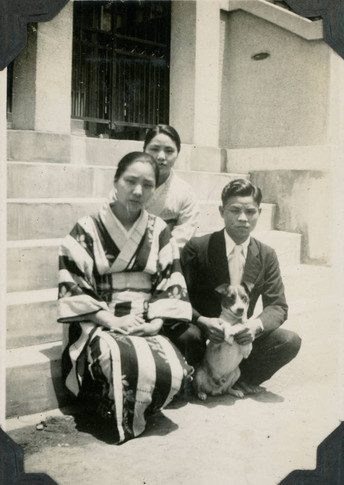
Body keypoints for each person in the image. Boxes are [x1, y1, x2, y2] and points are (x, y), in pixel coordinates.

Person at [58, 152, 193, 444]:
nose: (137, 191)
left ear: (155, 189)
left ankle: (132, 409)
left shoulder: (159, 230)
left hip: (143, 318)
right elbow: (74, 284)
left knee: (176, 369)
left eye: (147, 184)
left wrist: (156, 322)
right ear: (115, 181)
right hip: (98, 319)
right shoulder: (88, 227)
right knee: (119, 357)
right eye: (130, 181)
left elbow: (170, 279)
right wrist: (112, 320)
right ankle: (107, 408)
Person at [178, 178, 301, 394]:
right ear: (221, 211)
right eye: (234, 210)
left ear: (259, 213)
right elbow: (178, 296)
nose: (243, 218)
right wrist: (202, 320)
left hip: (240, 337)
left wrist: (254, 327)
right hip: (203, 336)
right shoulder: (197, 247)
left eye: (250, 212)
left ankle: (240, 380)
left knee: (289, 341)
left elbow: (278, 306)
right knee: (188, 336)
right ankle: (193, 378)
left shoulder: (266, 255)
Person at [143, 125, 199, 248]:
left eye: (169, 151)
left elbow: (184, 234)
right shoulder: (129, 184)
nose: (161, 157)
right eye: (155, 149)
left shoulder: (185, 192)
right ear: (144, 150)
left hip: (167, 257)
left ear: (177, 153)